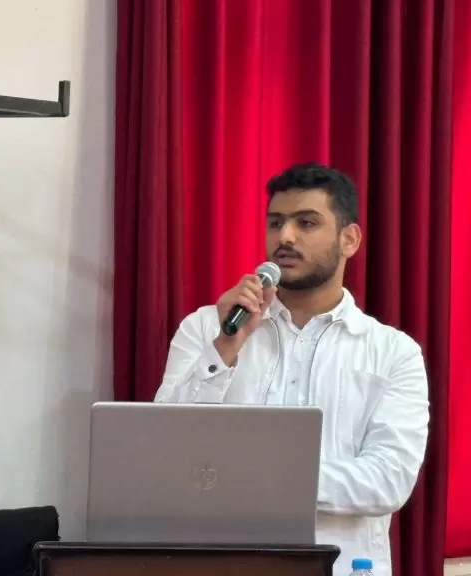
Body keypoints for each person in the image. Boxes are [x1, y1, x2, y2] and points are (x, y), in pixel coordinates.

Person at [154, 163, 429, 576]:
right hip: (222, 566)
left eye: (306, 222)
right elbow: (165, 447)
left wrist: (254, 480)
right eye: (276, 223)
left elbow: (387, 480)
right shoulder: (207, 328)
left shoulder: (392, 352)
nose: (284, 237)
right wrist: (226, 347)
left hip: (342, 567)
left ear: (349, 239)